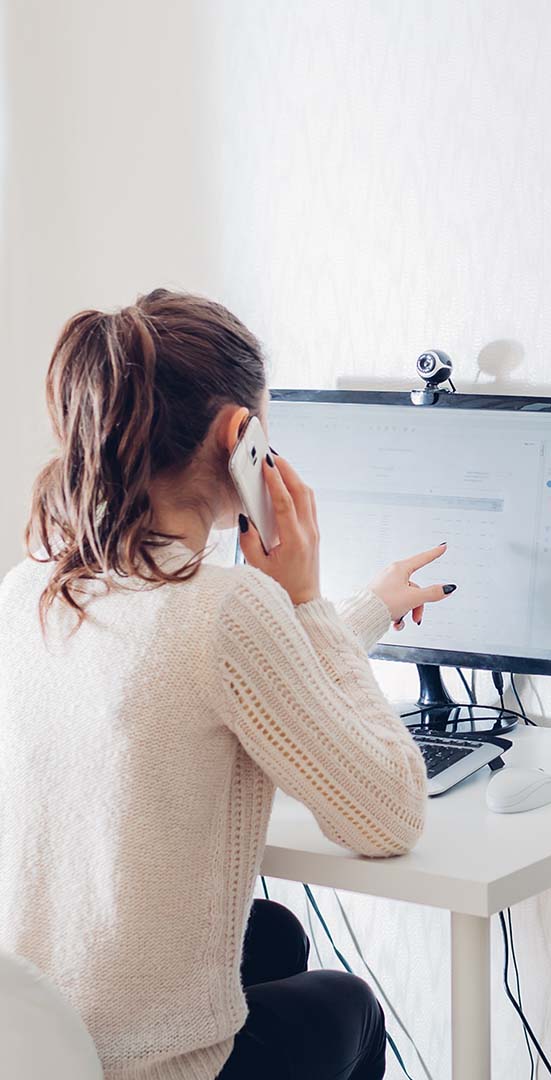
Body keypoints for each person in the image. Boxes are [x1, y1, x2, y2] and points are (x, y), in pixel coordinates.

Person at [0, 289, 455, 1080]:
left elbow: (227, 683)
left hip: (37, 1040)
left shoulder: (33, 586)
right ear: (240, 436)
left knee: (271, 932)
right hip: (151, 1064)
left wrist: (367, 610)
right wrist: (305, 599)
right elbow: (390, 815)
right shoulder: (225, 607)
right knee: (349, 1004)